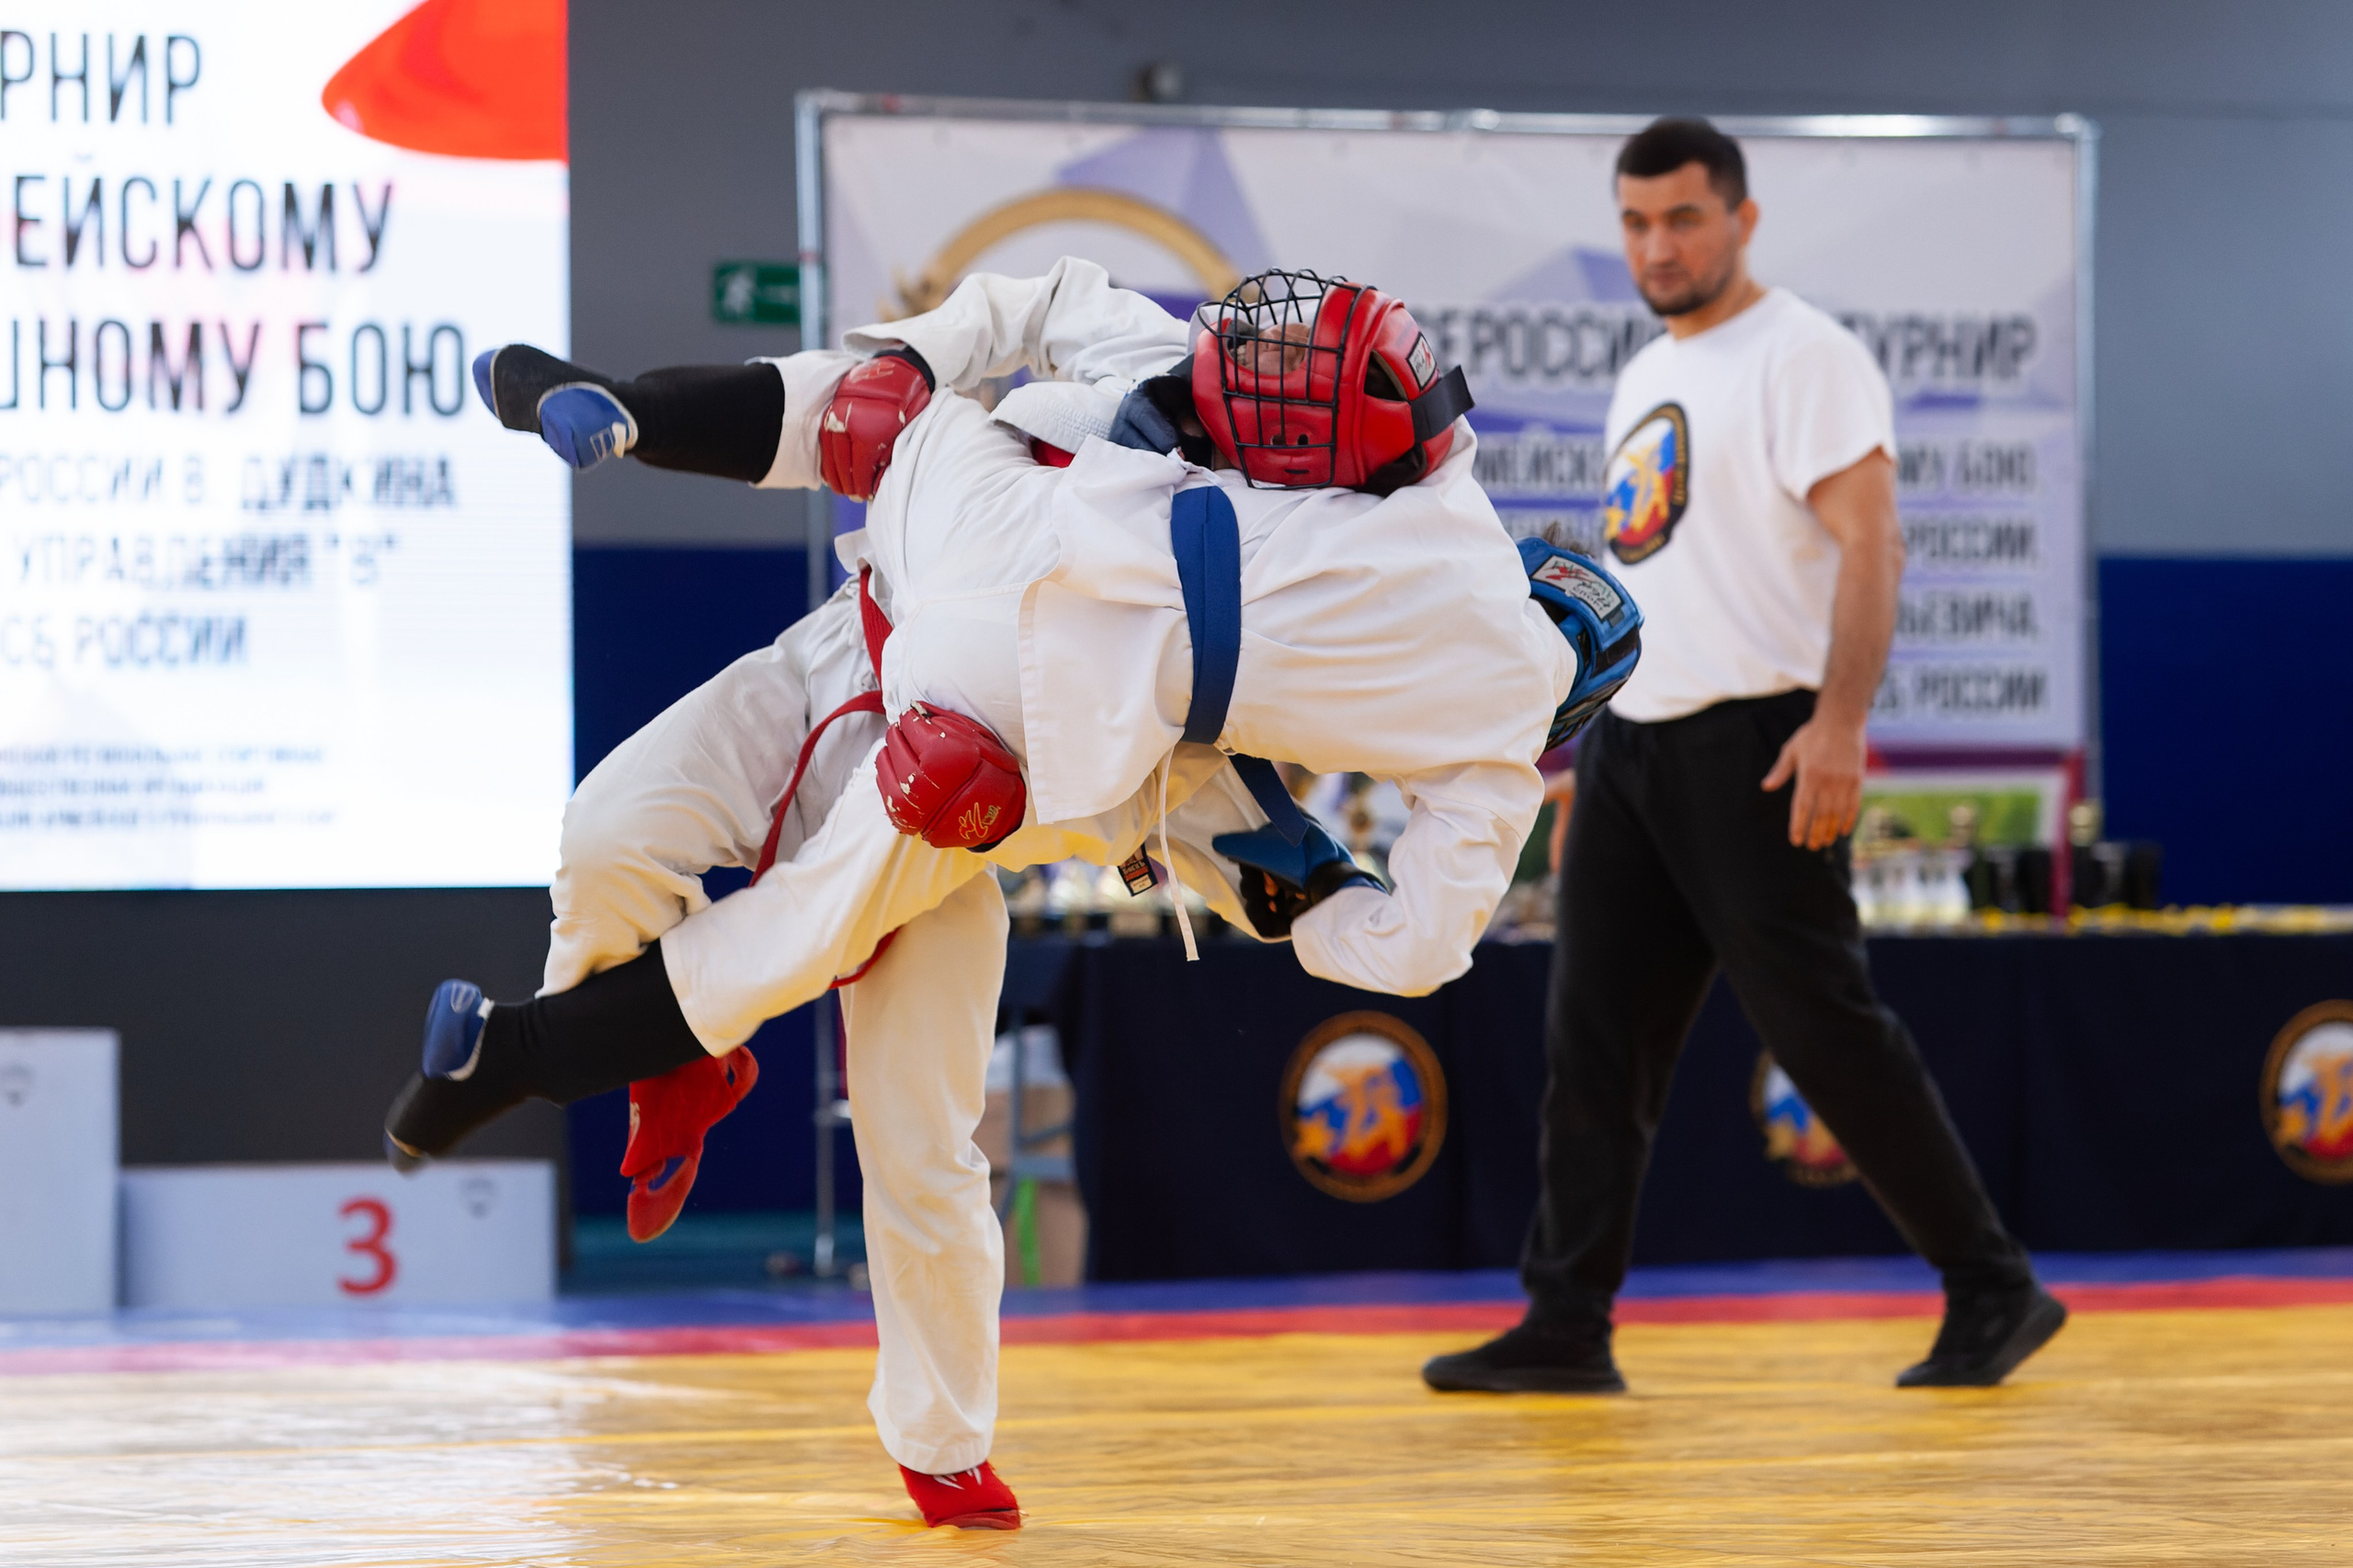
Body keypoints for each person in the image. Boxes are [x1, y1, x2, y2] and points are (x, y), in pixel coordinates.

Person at [382, 258, 1637, 1527]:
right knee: (605, 834)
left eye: (1273, 377)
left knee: (917, 1133)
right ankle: (630, 417)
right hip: (853, 651)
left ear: (1322, 451)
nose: (1237, 371)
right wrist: (923, 349)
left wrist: (1312, 888)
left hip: (988, 759)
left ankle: (939, 1441)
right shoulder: (1186, 384)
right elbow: (1037, 300)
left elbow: (1270, 846)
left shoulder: (1341, 592)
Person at [1422, 119, 2064, 1397]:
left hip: (1759, 745)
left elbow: (1873, 544)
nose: (1658, 244)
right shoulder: (1650, 369)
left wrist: (1839, 723)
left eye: (1684, 218)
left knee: (1823, 1032)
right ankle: (1566, 1321)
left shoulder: (1806, 357)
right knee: (1590, 1039)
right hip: (1635, 747)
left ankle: (1992, 1283)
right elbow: (1663, 566)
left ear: (1742, 218)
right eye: (1637, 223)